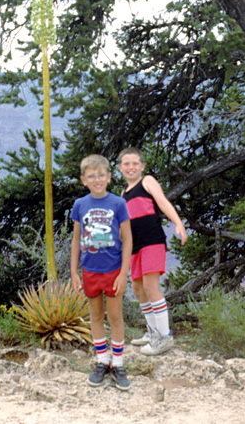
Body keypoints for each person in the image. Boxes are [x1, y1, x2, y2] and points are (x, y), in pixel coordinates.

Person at [70, 154, 133, 391]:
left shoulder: (118, 204)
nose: (97, 179)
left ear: (109, 177)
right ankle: (102, 361)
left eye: (101, 175)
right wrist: (74, 273)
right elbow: (76, 239)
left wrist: (123, 273)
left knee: (115, 317)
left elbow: (127, 239)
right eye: (91, 176)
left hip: (113, 270)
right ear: (83, 180)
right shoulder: (80, 205)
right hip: (89, 271)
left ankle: (118, 363)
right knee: (95, 316)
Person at [119, 147, 187, 356]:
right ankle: (152, 332)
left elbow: (163, 202)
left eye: (135, 163)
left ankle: (164, 336)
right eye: (126, 164)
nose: (131, 167)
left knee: (150, 285)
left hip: (152, 241)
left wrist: (178, 223)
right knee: (138, 288)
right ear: (121, 168)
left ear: (142, 166)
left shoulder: (147, 181)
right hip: (134, 246)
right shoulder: (123, 194)